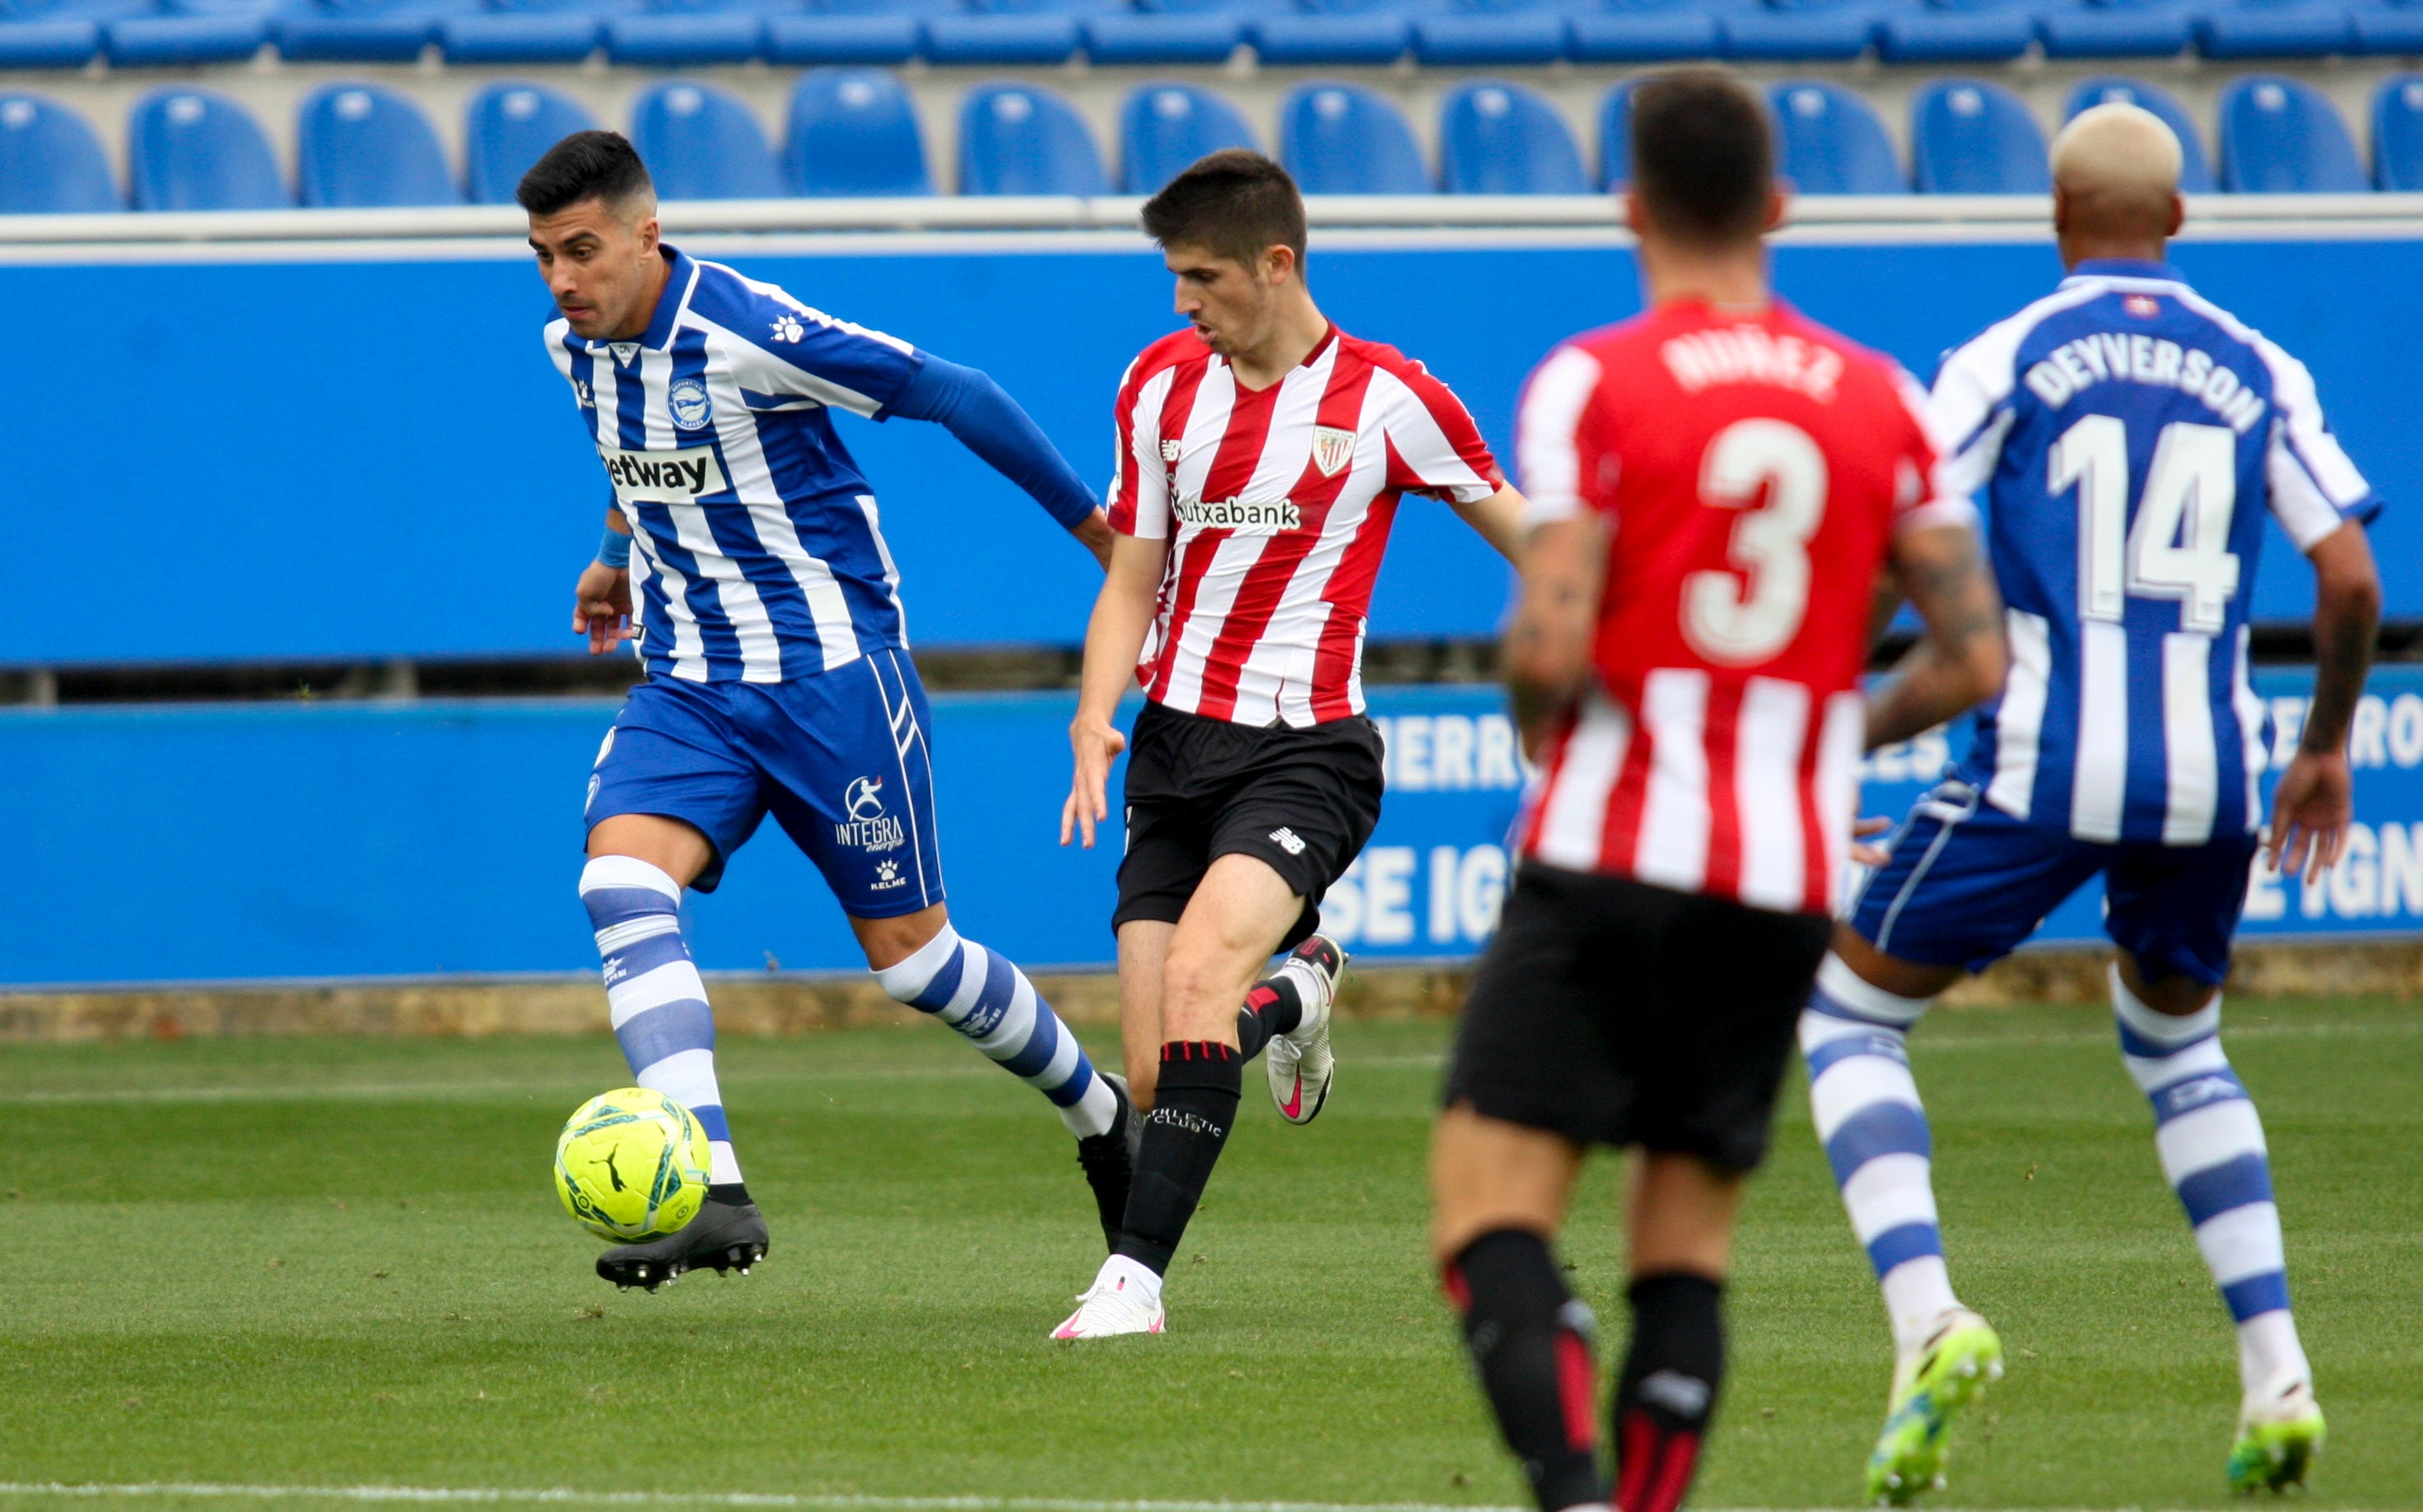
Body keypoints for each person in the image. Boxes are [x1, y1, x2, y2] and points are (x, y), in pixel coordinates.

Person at [1429, 70, 2009, 1512]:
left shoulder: (1596, 377)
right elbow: (1977, 654)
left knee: (1487, 1211)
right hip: (1782, 873)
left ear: (1630, 207)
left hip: (1614, 846)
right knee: (1683, 1243)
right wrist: (1827, 737)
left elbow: (1549, 637)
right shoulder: (1886, 398)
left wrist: (1546, 737)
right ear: (1782, 206)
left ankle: (1569, 1487)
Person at [1805, 101, 2380, 1500]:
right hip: (2214, 764)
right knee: (2183, 1048)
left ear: (2053, 219)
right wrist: (2324, 743)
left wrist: (1827, 719)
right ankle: (2277, 1370)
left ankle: (1931, 1316)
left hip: (2044, 758)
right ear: (2179, 221)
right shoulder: (2259, 362)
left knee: (1850, 1015)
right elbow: (2352, 578)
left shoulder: (2007, 355)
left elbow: (1913, 534)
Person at [520, 131, 1141, 1291]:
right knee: (618, 882)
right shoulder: (576, 346)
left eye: (584, 251)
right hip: (689, 687)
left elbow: (961, 392)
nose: (562, 279)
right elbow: (632, 450)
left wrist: (1104, 542)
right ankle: (708, 1187)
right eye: (544, 255)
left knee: (917, 965)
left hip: (833, 681)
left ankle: (1101, 1113)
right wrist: (613, 556)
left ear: (647, 236)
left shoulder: (748, 331)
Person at [1052, 148, 1529, 1339]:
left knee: (1202, 978)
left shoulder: (1387, 399)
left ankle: (1133, 1285)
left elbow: (1534, 540)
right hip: (1172, 746)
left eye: (1202, 275)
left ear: (1279, 263)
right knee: (1162, 1072)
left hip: (1308, 752)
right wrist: (1093, 714)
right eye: (1173, 276)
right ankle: (1302, 989)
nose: (1181, 301)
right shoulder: (1159, 385)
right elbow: (1132, 577)